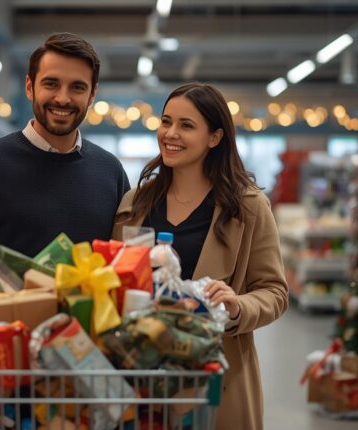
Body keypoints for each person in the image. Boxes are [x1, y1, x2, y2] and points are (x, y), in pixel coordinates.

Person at [0, 33, 129, 428]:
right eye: (52, 83)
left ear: (92, 95)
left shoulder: (110, 171)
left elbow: (121, 259)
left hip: (82, 362)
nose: (63, 98)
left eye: (77, 87)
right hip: (2, 360)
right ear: (30, 85)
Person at [113, 83, 288, 430]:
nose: (171, 134)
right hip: (139, 377)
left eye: (187, 125)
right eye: (166, 121)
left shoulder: (247, 208)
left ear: (215, 137)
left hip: (216, 377)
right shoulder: (134, 205)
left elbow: (274, 291)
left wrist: (238, 305)